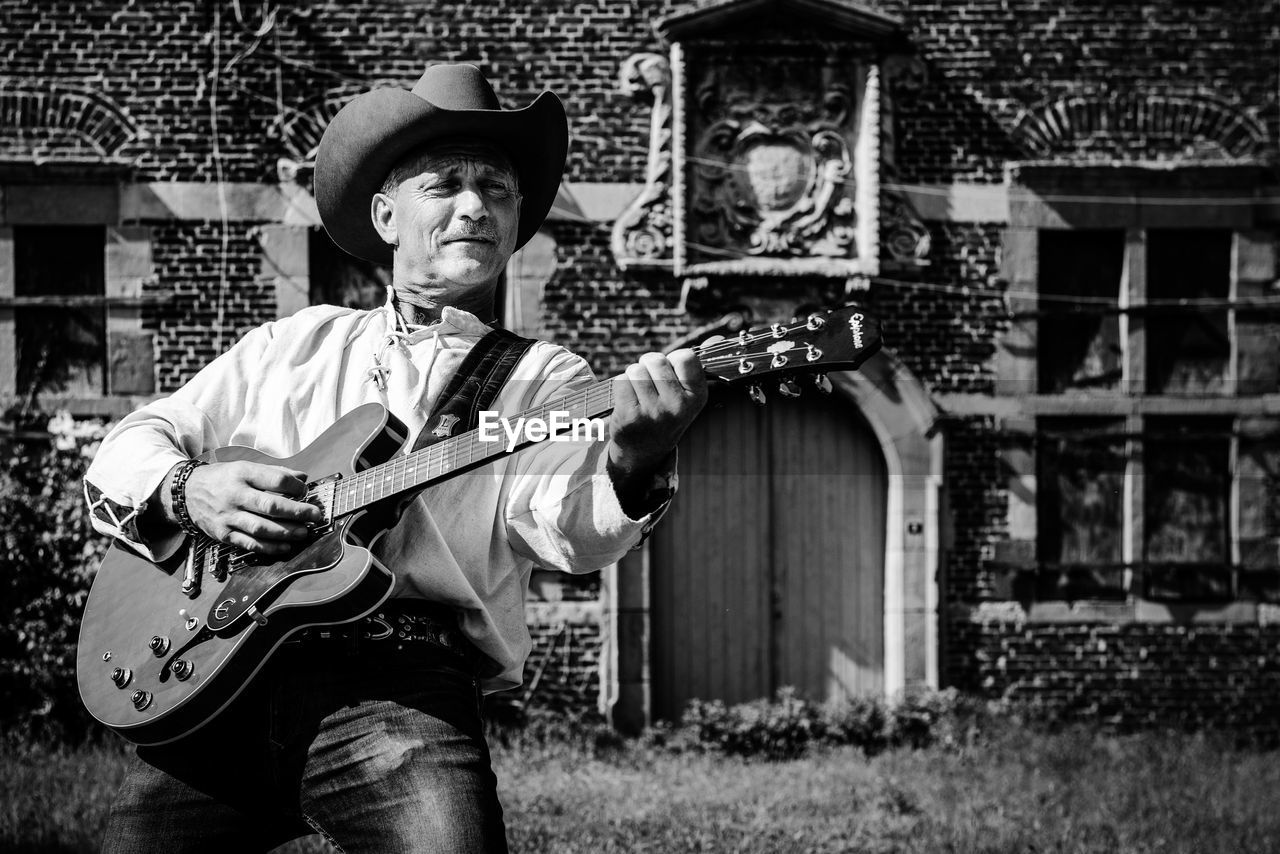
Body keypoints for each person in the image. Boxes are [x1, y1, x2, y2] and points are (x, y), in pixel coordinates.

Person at [83, 63, 707, 853]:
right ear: (385, 215)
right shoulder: (292, 343)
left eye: (497, 189)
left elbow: (567, 527)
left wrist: (633, 461)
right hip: (215, 678)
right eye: (444, 184)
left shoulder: (551, 380)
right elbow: (128, 444)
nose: (475, 206)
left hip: (401, 693)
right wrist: (190, 488)